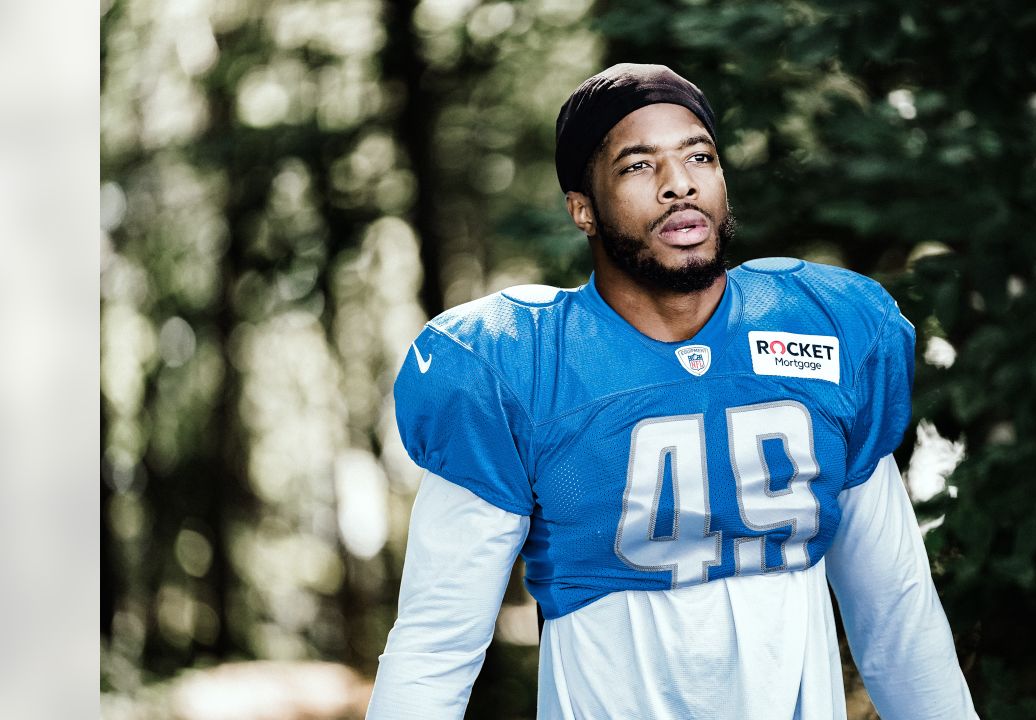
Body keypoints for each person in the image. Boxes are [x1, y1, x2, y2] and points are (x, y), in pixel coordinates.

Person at [366, 63, 979, 720]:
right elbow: (437, 642)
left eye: (700, 156)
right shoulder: (519, 365)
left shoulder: (825, 329)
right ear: (583, 208)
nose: (679, 184)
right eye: (637, 165)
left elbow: (896, 615)